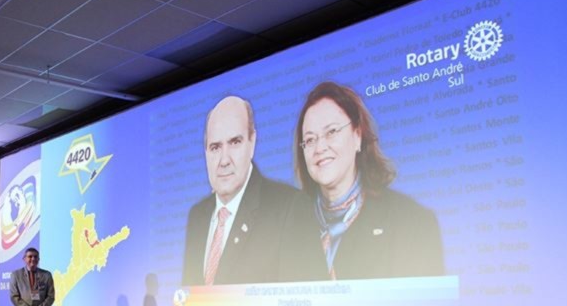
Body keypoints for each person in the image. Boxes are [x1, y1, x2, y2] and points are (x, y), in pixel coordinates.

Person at [293, 81, 444, 280]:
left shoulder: (413, 223)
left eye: (331, 132)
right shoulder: (288, 225)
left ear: (357, 136)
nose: (319, 148)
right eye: (310, 139)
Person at [182, 95, 327, 286]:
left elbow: (311, 300)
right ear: (206, 153)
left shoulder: (290, 208)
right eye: (215, 147)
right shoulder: (197, 216)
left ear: (252, 142)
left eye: (235, 142)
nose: (224, 160)